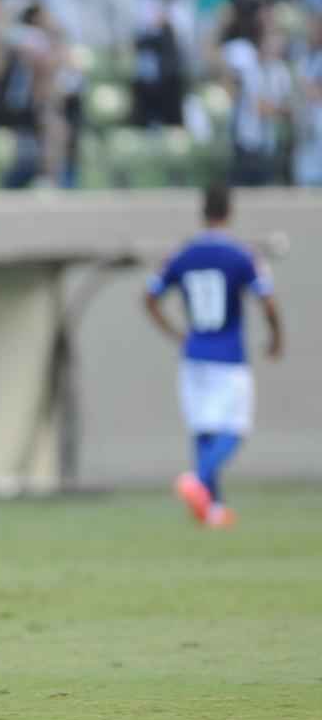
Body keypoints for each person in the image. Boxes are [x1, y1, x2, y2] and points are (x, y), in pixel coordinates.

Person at [145, 183, 284, 528]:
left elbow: (149, 296)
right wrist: (276, 337)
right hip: (228, 356)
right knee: (234, 430)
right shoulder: (240, 255)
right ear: (229, 212)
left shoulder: (183, 254)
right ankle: (199, 479)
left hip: (194, 354)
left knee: (203, 430)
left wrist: (175, 332)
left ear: (202, 212)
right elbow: (266, 300)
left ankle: (212, 509)